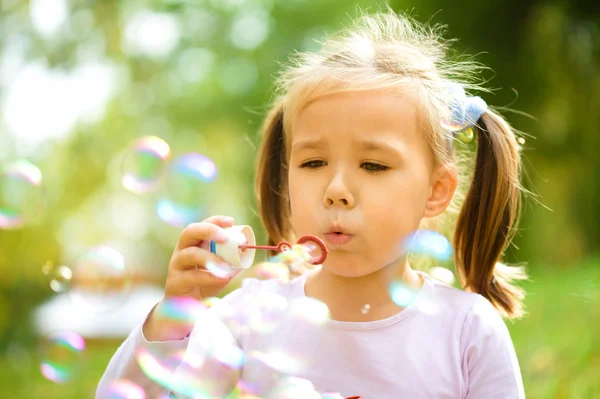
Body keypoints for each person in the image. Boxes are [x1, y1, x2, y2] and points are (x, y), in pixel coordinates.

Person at [96, 8, 528, 399]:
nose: (336, 189)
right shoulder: (244, 321)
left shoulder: (467, 331)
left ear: (436, 190)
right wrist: (173, 319)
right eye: (314, 162)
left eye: (373, 165)